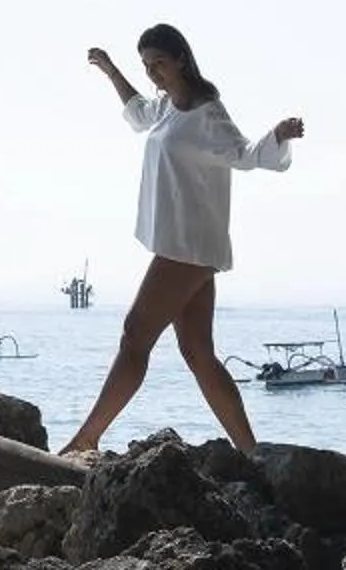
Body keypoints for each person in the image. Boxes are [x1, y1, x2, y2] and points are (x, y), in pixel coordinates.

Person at [61, 23, 305, 456]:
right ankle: (252, 453)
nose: (153, 72)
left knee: (135, 335)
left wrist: (280, 134)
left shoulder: (206, 113)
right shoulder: (169, 107)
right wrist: (112, 71)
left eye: (159, 62)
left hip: (187, 247)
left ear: (181, 60)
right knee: (197, 351)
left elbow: (246, 155)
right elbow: (138, 113)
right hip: (185, 245)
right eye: (147, 65)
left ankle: (87, 437)